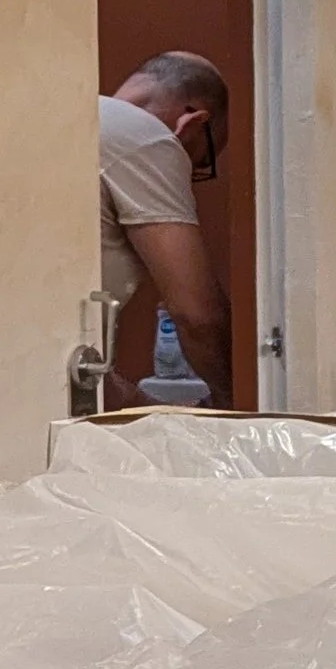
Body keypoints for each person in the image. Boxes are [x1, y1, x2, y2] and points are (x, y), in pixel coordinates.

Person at [99, 51, 235, 407]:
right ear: (191, 124)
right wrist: (238, 403)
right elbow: (197, 316)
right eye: (199, 163)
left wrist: (150, 412)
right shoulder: (146, 137)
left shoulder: (72, 121)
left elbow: (78, 369)